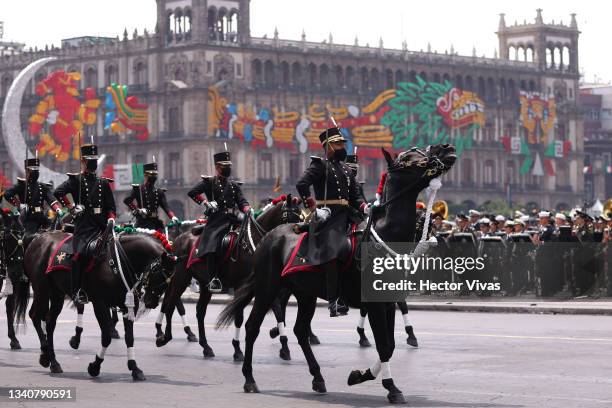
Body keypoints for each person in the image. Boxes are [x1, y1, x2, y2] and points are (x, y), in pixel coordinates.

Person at [296, 127, 366, 317]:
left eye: (343, 143)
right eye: (338, 144)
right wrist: (312, 208)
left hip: (348, 215)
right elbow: (302, 184)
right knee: (334, 250)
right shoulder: (320, 166)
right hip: (328, 217)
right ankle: (334, 300)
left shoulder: (346, 169)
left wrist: (364, 208)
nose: (343, 147)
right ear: (328, 146)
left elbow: (355, 196)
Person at [54, 143, 116, 304]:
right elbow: (58, 192)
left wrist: (111, 219)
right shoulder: (76, 180)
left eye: (95, 159)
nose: (93, 163)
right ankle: (76, 291)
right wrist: (72, 207)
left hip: (102, 225)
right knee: (78, 255)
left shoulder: (103, 183)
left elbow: (111, 207)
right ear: (83, 161)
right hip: (84, 226)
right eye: (90, 160)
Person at [187, 150, 251, 293]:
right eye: (224, 166)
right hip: (216, 220)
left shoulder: (234, 186)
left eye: (229, 165)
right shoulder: (209, 182)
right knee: (213, 244)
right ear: (217, 167)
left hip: (233, 219)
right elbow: (192, 192)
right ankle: (213, 278)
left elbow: (242, 201)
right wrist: (206, 203)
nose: (227, 168)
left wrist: (247, 209)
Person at [3, 158, 63, 235]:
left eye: (37, 170)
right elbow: (7, 194)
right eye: (33, 170)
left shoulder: (43, 186)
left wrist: (57, 208)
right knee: (28, 238)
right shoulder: (22, 185)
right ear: (27, 171)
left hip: (42, 217)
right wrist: (19, 205)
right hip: (28, 218)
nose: (36, 172)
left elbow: (51, 199)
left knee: (57, 231)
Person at [124, 161, 178, 232]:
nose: (154, 177)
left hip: (155, 223)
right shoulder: (138, 189)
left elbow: (166, 207)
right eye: (152, 175)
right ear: (146, 176)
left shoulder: (159, 192)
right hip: (142, 222)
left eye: (155, 175)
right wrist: (138, 210)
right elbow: (127, 201)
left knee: (166, 240)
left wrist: (173, 217)